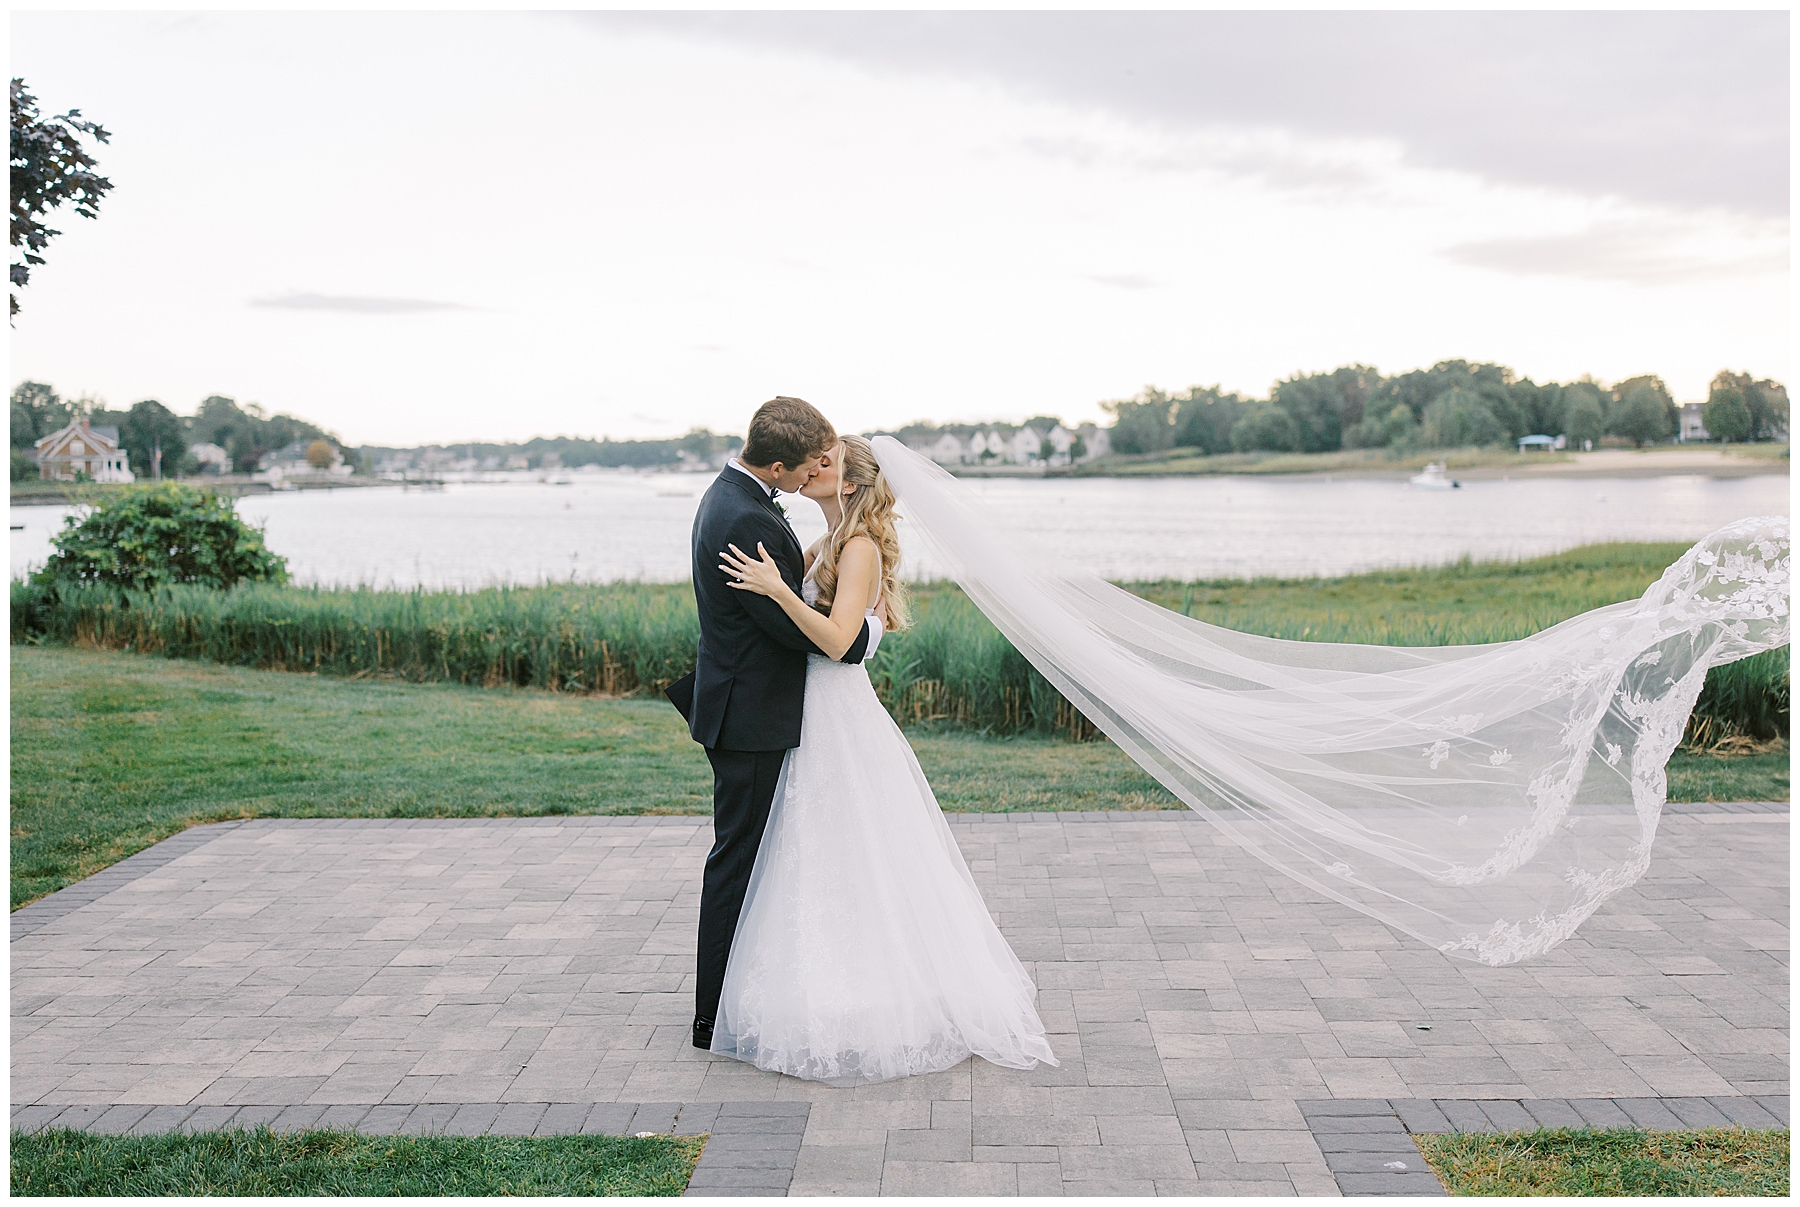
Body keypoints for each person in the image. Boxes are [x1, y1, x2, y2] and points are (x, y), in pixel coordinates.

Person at [713, 434, 1059, 1083]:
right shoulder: (829, 541)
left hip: (837, 710)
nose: (813, 468)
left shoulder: (861, 546)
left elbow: (840, 638)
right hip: (811, 707)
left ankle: (876, 995)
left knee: (854, 847)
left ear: (846, 482)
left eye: (825, 461)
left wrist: (778, 591)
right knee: (818, 849)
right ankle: (820, 987)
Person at [667, 398, 884, 1054]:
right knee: (739, 860)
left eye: (831, 459)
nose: (816, 468)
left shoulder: (734, 499)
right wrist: (858, 634)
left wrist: (862, 627)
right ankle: (714, 1015)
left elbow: (824, 623)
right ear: (780, 462)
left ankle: (749, 994)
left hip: (757, 709)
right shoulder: (745, 517)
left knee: (763, 859)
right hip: (753, 716)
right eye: (810, 461)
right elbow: (799, 633)